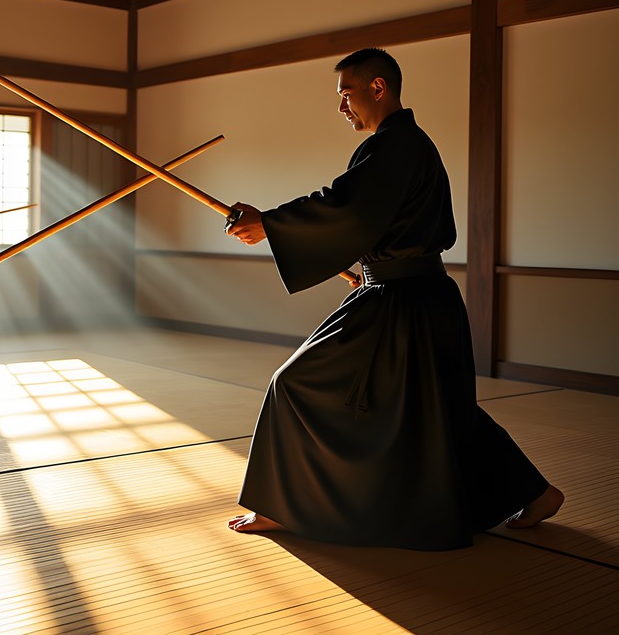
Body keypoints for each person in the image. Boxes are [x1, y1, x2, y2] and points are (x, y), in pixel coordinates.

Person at [225, 48, 563, 551]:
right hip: (414, 294)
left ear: (377, 88)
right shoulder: (406, 145)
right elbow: (370, 219)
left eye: (346, 94)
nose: (342, 107)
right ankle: (536, 493)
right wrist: (362, 261)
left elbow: (345, 207)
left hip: (403, 301)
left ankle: (281, 504)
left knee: (293, 383)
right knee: (439, 408)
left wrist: (270, 223)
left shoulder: (395, 146)